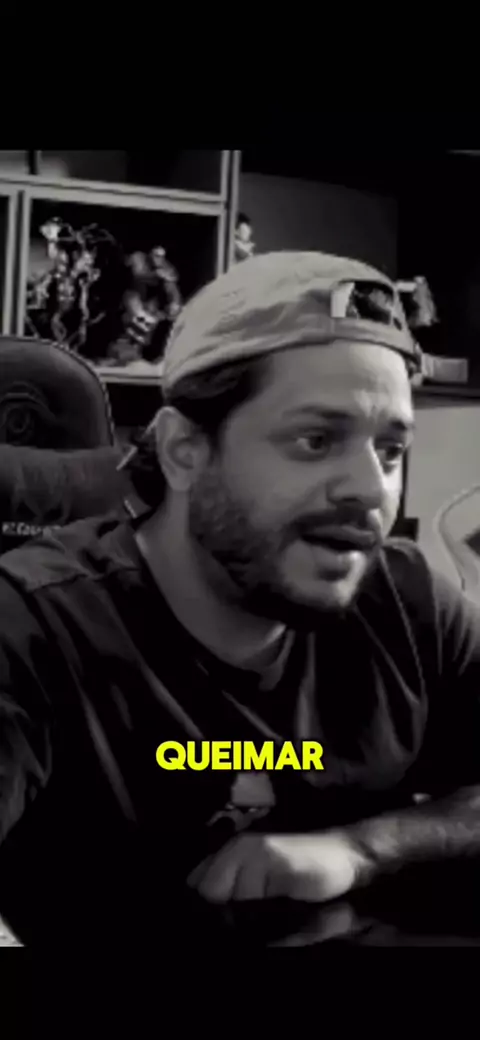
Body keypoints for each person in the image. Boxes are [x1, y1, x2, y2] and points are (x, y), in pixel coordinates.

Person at [1, 251, 480, 949]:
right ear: (184, 451)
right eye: (315, 440)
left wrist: (364, 847)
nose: (370, 490)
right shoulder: (32, 625)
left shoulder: (408, 604)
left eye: (389, 450)